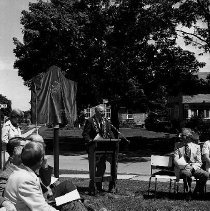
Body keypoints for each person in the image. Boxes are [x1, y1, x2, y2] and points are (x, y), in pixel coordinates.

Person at [82, 105, 116, 193]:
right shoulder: (90, 121)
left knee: (102, 168)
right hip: (94, 148)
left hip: (105, 148)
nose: (103, 113)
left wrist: (113, 140)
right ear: (96, 112)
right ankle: (93, 186)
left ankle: (106, 186)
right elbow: (85, 134)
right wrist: (90, 141)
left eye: (103, 111)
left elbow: (110, 132)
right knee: (94, 168)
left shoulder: (106, 122)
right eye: (101, 112)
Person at [173, 128, 209, 199]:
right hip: (182, 168)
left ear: (188, 136)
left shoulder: (197, 146)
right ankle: (188, 192)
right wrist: (185, 166)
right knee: (186, 173)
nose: (180, 137)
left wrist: (193, 167)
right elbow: (175, 159)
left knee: (205, 174)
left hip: (194, 168)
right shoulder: (177, 145)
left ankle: (197, 191)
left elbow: (199, 162)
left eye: (183, 135)